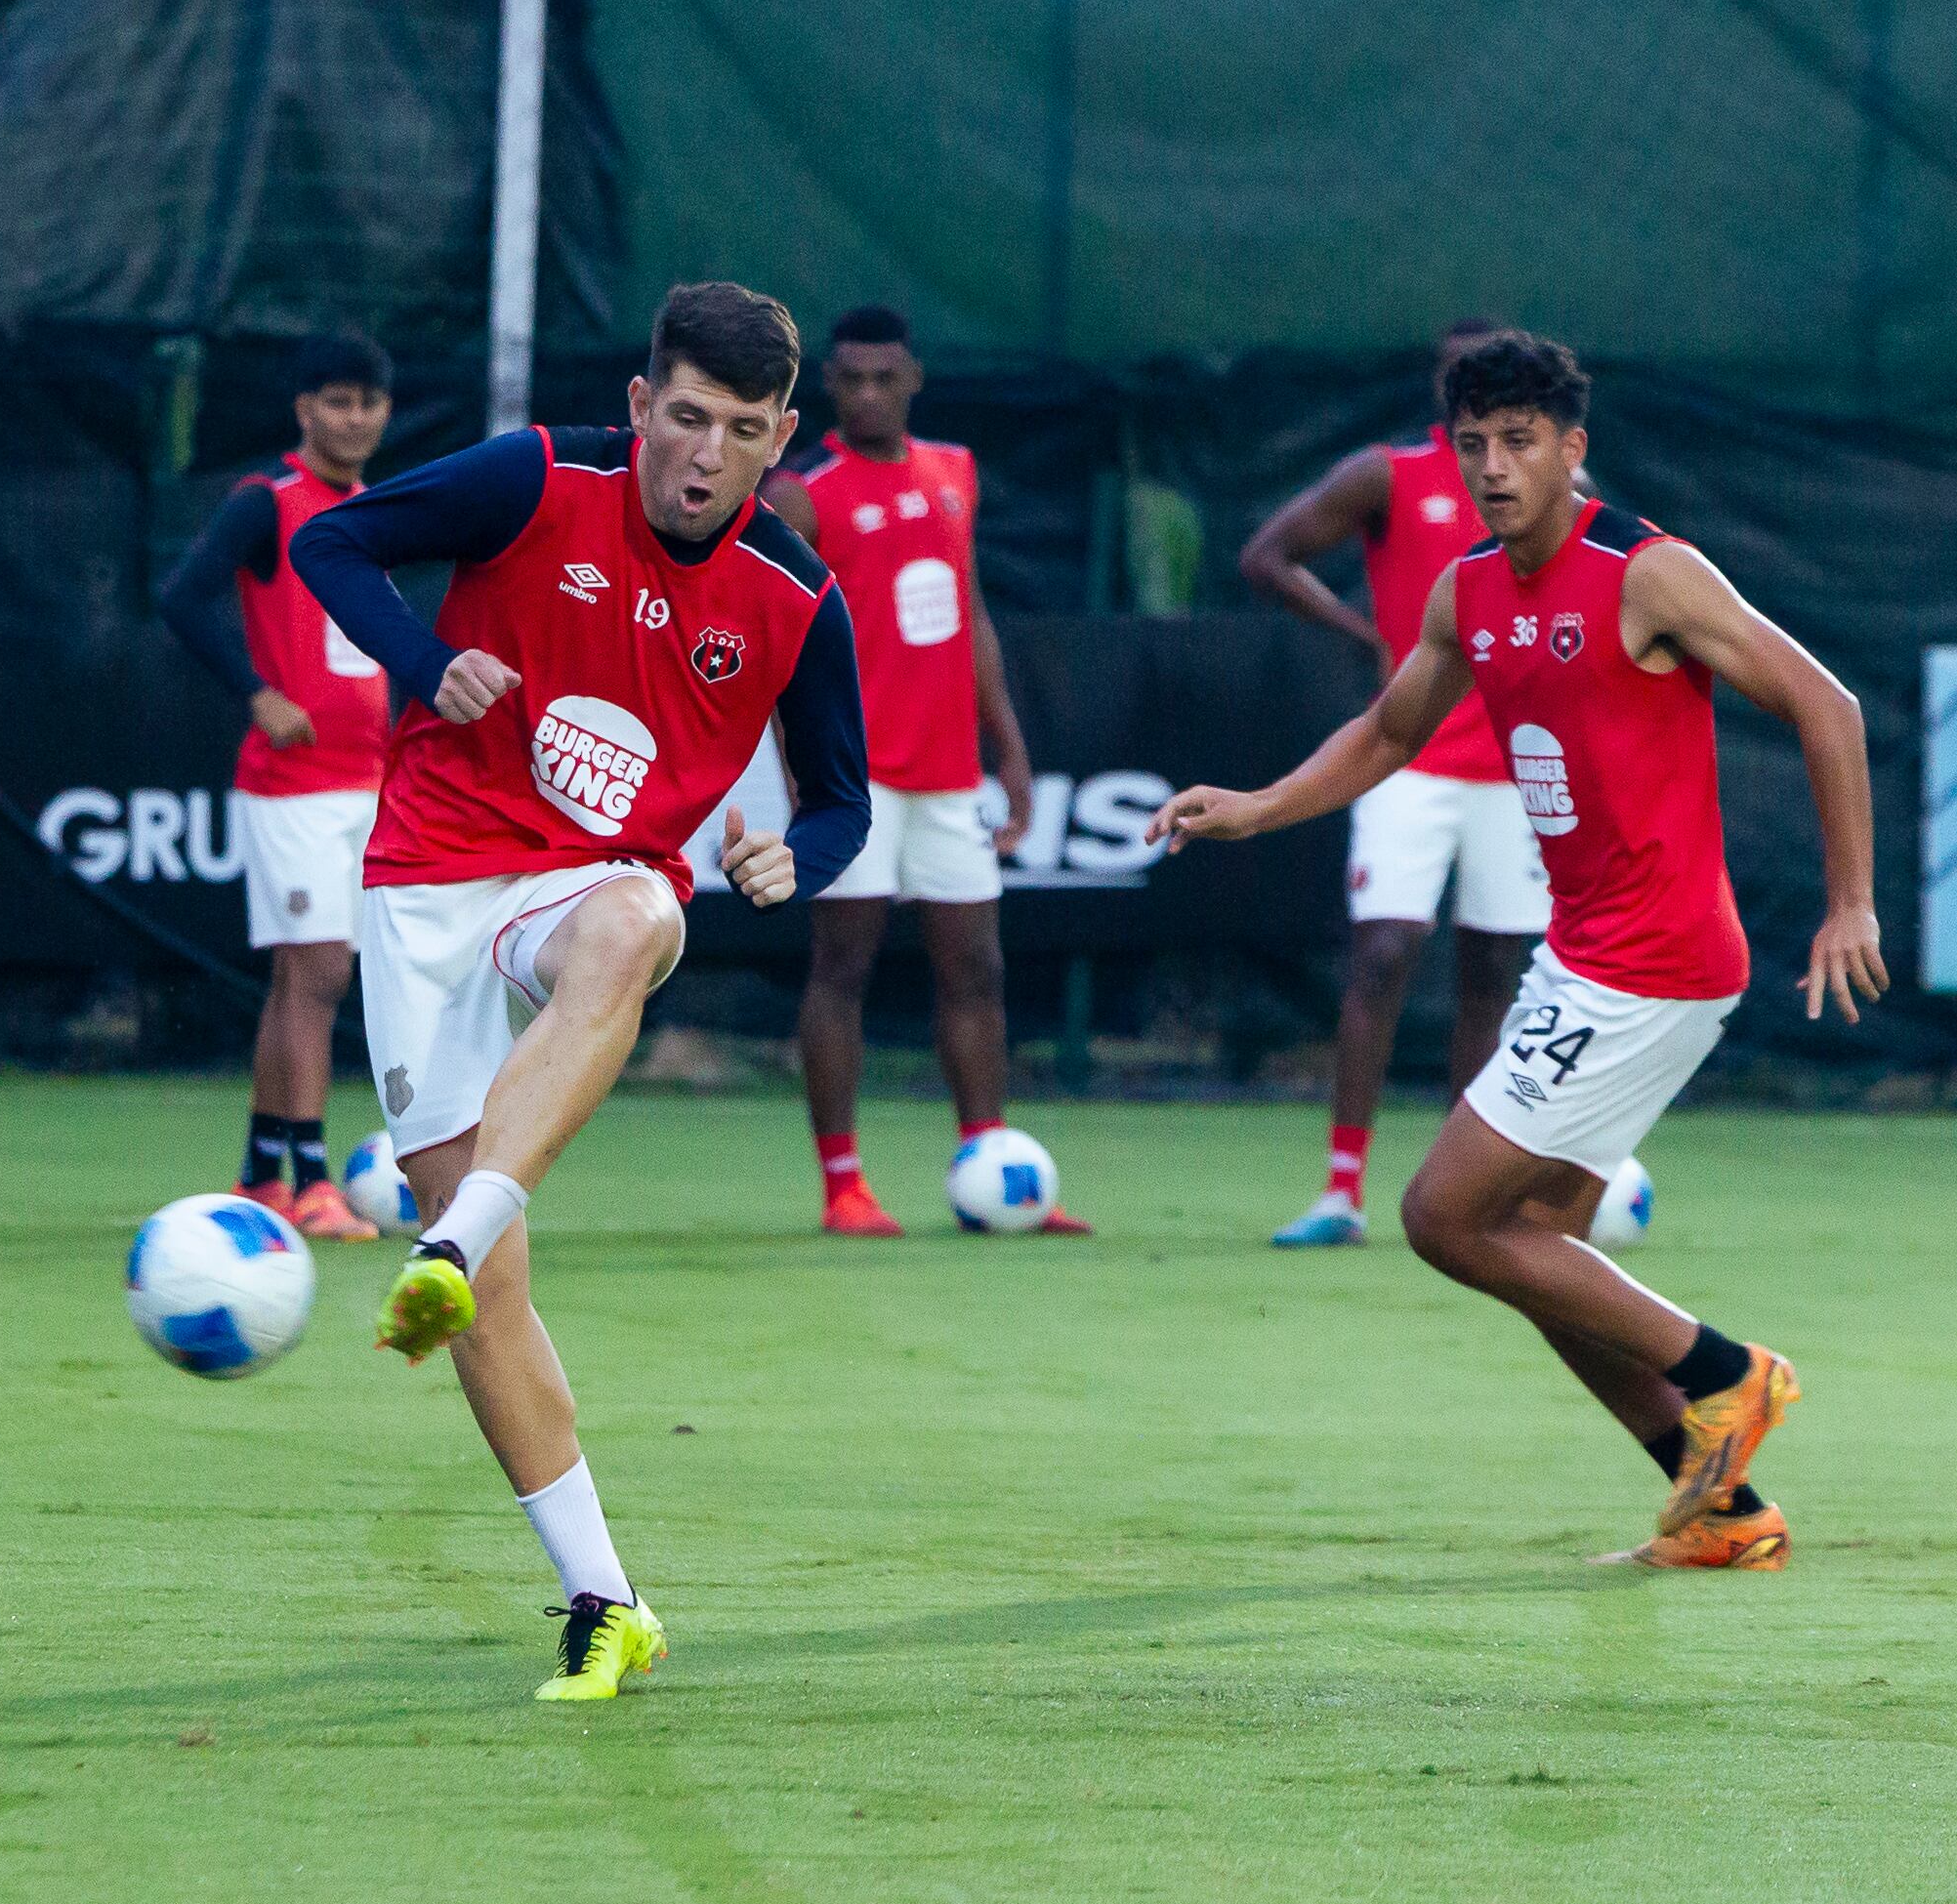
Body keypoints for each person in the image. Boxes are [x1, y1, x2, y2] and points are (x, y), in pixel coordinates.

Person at [1151, 333, 1884, 1569]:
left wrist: (1850, 900)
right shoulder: (1465, 591)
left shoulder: (1649, 573)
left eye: (1520, 442)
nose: (1495, 467)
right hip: (1585, 953)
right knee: (1535, 1253)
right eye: (1474, 445)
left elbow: (1829, 704)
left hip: (1652, 961)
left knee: (1443, 1217)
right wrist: (1259, 804)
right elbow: (1389, 733)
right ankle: (1717, 1510)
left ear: (1571, 448)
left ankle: (1729, 1374)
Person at [293, 282, 869, 1696]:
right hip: (425, 878)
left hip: (589, 879)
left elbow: (842, 800)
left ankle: (456, 1232)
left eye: (741, 431)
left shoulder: (796, 596)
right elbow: (332, 543)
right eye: (683, 419)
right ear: (637, 407)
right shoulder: (536, 479)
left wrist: (792, 857)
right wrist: (431, 664)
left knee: (630, 922)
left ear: (780, 437)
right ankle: (605, 1599)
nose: (702, 454)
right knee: (493, 1305)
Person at [760, 305, 1082, 1238]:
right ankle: (842, 1185)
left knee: (976, 968)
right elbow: (779, 644)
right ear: (828, 384)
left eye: (883, 377)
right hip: (854, 778)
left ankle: (991, 1156)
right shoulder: (802, 492)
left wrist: (1009, 751)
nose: (867, 392)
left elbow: (969, 610)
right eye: (850, 378)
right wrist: (801, 778)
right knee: (844, 963)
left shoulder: (953, 474)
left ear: (913, 379)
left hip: (947, 775)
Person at [1239, 321, 1556, 1248]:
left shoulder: (1551, 489)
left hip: (1518, 770)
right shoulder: (1386, 474)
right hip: (1407, 762)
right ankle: (1341, 1190)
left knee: (1495, 971)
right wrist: (1357, 634)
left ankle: (1475, 1190)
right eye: (1459, 378)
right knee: (1381, 957)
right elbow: (1267, 555)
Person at [157, 332, 396, 1241]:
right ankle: (310, 1177)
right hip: (292, 784)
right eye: (337, 401)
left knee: (302, 978)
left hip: (362, 778)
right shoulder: (269, 503)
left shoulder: (372, 508)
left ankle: (262, 1169)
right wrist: (257, 693)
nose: (355, 418)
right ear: (304, 411)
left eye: (369, 403)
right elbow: (183, 595)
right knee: (320, 971)